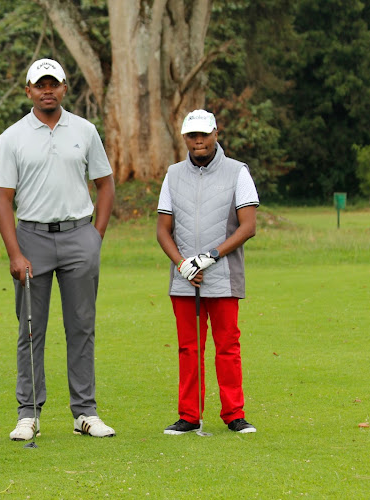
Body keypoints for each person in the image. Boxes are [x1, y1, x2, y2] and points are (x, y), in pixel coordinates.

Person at [0, 58, 116, 441]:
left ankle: (85, 412)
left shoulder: (85, 130)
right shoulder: (12, 137)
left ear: (64, 88)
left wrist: (95, 237)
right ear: (27, 90)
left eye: (54, 84)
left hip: (80, 235)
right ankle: (28, 413)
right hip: (31, 238)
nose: (48, 90)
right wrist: (14, 252)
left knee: (81, 326)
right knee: (30, 329)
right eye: (40, 85)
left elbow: (106, 185)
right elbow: (2, 199)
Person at [156, 109, 259, 435]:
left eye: (204, 134)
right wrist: (182, 263)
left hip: (223, 275)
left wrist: (210, 256)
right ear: (185, 138)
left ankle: (234, 414)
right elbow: (162, 230)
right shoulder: (173, 174)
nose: (198, 141)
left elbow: (248, 227)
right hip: (185, 277)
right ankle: (189, 415)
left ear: (216, 133)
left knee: (227, 346)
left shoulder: (237, 172)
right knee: (189, 348)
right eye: (192, 135)